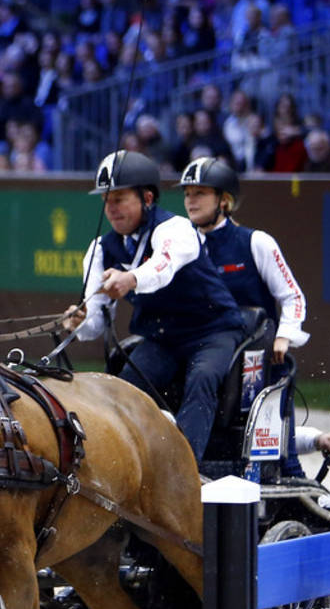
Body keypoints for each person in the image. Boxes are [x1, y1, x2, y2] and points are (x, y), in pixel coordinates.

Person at [64, 151, 245, 465]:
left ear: (147, 197)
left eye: (119, 199)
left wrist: (131, 278)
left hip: (213, 332)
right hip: (162, 339)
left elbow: (163, 267)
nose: (111, 208)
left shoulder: (176, 229)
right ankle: (117, 463)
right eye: (107, 200)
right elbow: (94, 323)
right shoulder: (99, 249)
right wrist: (79, 320)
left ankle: (184, 469)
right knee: (123, 390)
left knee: (201, 379)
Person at [178, 157, 310, 476]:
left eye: (200, 193)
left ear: (224, 201)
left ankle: (290, 472)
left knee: (286, 464)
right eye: (187, 194)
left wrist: (284, 335)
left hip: (252, 357)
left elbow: (293, 296)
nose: (191, 201)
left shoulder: (256, 242)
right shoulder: (179, 245)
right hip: (199, 348)